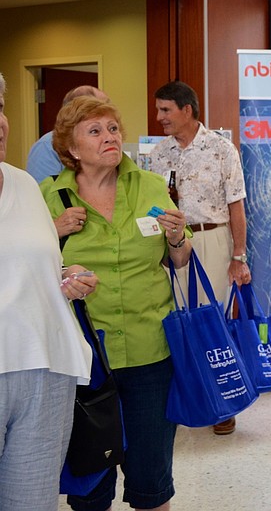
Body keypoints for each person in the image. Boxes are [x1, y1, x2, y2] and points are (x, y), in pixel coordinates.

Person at [41, 96, 192, 511]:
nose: (109, 137)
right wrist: (53, 237)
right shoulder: (48, 198)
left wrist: (178, 237)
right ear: (72, 148)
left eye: (112, 128)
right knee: (90, 483)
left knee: (151, 478)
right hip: (85, 360)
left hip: (150, 351)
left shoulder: (151, 186)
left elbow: (178, 260)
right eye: (95, 131)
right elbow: (31, 273)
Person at [0, 73, 93, 511]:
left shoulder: (24, 185)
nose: (1, 122)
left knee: (33, 503)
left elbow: (39, 265)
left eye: (0, 107)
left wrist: (66, 275)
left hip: (45, 371)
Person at [149, 80, 250, 436]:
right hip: (171, 243)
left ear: (187, 110)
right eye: (158, 110)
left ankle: (223, 401)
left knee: (211, 320)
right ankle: (191, 394)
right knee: (178, 317)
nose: (159, 117)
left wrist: (239, 256)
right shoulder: (158, 155)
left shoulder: (222, 150)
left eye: (166, 110)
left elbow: (237, 207)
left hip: (212, 238)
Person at [26, 85, 109, 184]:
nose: (108, 111)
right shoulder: (46, 146)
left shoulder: (109, 139)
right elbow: (44, 194)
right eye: (101, 107)